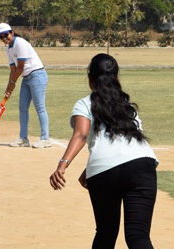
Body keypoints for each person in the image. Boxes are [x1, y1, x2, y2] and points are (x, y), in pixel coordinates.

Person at [49, 53, 158, 249]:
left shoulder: (84, 103)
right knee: (138, 236)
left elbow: (81, 135)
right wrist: (89, 169)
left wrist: (62, 166)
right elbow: (124, 146)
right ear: (116, 78)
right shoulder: (127, 106)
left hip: (105, 172)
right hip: (143, 165)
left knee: (106, 233)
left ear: (90, 78)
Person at [0, 23, 51, 148]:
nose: (5, 38)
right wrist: (9, 87)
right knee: (22, 107)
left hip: (37, 75)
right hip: (26, 78)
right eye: (1, 37)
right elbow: (13, 69)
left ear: (12, 33)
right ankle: (23, 138)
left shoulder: (19, 43)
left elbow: (20, 67)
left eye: (6, 35)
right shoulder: (8, 49)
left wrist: (13, 83)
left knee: (40, 107)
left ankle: (45, 138)